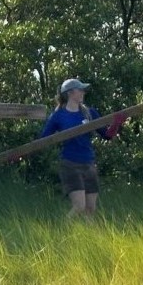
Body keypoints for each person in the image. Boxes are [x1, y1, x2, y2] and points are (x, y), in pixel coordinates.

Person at [41, 78, 125, 220]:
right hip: (70, 164)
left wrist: (116, 124)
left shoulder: (89, 113)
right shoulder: (58, 116)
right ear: (70, 93)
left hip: (89, 163)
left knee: (90, 209)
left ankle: (88, 234)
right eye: (80, 90)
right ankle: (62, 228)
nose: (83, 92)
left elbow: (107, 135)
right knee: (79, 206)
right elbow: (44, 139)